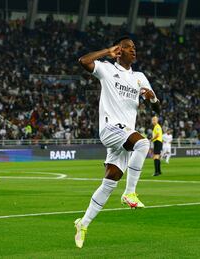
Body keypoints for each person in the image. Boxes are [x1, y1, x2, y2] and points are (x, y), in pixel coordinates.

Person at [74, 36, 160, 248]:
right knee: (143, 144)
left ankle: (83, 224)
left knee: (110, 181)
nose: (134, 50)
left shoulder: (140, 77)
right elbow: (83, 61)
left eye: (135, 47)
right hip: (110, 128)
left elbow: (156, 108)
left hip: (124, 135)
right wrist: (106, 51)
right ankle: (130, 192)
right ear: (119, 50)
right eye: (129, 47)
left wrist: (152, 99)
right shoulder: (106, 69)